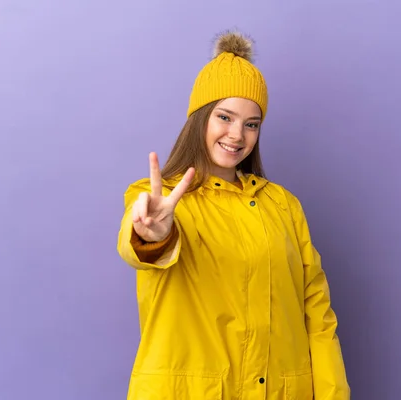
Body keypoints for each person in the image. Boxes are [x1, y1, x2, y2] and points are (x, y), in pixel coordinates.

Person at [117, 29, 350, 400]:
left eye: (251, 123)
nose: (237, 134)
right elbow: (139, 247)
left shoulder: (284, 206)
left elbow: (318, 317)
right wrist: (153, 235)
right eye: (224, 117)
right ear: (200, 118)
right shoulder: (155, 199)